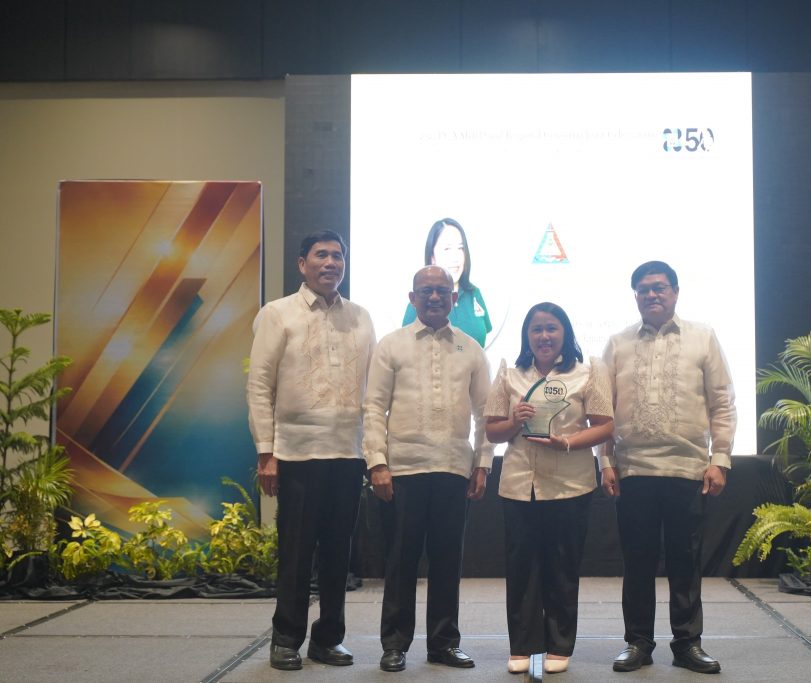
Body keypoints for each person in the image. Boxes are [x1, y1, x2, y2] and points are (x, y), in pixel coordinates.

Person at [246, 230, 376, 671]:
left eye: (338, 256)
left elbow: (373, 392)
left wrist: (374, 451)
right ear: (302, 264)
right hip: (297, 454)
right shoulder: (277, 313)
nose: (331, 263)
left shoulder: (360, 317)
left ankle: (328, 638)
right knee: (296, 553)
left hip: (348, 453)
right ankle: (286, 638)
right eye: (321, 255)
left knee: (339, 554)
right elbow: (259, 386)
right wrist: (266, 453)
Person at [600, 261, 736, 675]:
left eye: (659, 288)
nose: (651, 295)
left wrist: (720, 459)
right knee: (637, 562)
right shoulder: (618, 343)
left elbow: (722, 402)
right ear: (635, 296)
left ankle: (688, 643)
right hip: (634, 470)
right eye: (643, 290)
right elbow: (603, 410)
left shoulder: (702, 337)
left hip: (687, 468)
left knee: (685, 562)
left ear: (675, 292)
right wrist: (605, 461)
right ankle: (638, 643)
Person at [364, 265, 493, 673]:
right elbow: (373, 408)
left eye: (442, 291)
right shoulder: (391, 345)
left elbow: (486, 413)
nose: (434, 297)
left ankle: (443, 644)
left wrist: (483, 463)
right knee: (400, 561)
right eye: (426, 291)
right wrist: (377, 463)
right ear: (412, 298)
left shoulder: (471, 349)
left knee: (447, 562)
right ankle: (394, 644)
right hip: (403, 470)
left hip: (454, 469)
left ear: (454, 298)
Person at [485, 302, 614, 675]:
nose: (544, 336)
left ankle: (559, 645)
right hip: (519, 484)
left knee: (562, 567)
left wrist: (568, 442)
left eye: (551, 328)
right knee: (521, 569)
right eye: (536, 329)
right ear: (527, 335)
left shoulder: (587, 371)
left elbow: (606, 425)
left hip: (570, 485)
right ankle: (522, 647)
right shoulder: (510, 373)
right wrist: (514, 421)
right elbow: (492, 431)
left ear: (565, 333)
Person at [402, 218, 492, 348]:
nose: (456, 258)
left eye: (460, 248)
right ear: (432, 257)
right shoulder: (419, 300)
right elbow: (405, 349)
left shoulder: (474, 294)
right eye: (447, 249)